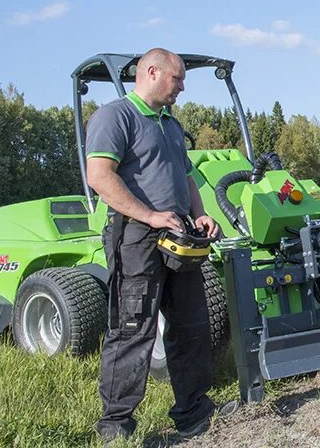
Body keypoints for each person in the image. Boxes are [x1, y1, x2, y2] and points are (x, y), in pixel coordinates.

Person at [84, 48, 228, 442]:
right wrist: (149, 215)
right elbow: (99, 175)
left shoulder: (170, 124)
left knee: (191, 326)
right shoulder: (116, 116)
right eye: (177, 79)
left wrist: (198, 213)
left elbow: (187, 178)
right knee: (133, 328)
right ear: (152, 72)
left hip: (178, 235)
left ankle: (193, 410)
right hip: (136, 236)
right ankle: (116, 422)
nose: (182, 87)